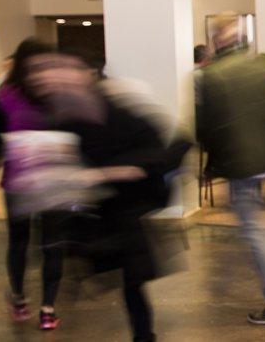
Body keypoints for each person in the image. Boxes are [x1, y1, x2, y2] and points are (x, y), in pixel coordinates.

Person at [26, 51, 188, 342]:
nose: (47, 83)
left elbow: (155, 156)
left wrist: (106, 173)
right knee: (119, 279)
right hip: (103, 211)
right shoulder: (62, 116)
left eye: (54, 75)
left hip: (128, 207)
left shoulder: (113, 109)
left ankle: (143, 336)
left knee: (131, 281)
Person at [197, 26, 265, 326]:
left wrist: (210, 165)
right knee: (255, 227)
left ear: (216, 42)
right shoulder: (258, 65)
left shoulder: (213, 75)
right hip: (263, 156)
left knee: (254, 230)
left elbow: (208, 127)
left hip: (240, 161)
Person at [0, 39, 67, 330]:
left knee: (18, 241)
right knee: (51, 244)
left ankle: (19, 300)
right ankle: (48, 309)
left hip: (17, 180)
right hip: (51, 180)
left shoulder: (6, 95)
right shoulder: (57, 93)